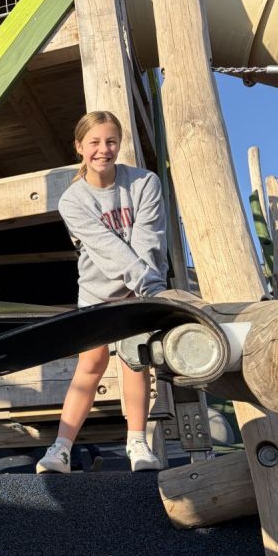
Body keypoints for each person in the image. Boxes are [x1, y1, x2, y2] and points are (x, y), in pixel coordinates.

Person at [35, 111, 166, 475]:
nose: (103, 150)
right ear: (79, 147)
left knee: (134, 361)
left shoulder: (144, 183)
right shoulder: (73, 201)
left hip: (139, 292)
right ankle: (61, 448)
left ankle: (137, 442)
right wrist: (143, 282)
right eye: (94, 142)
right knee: (90, 364)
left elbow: (148, 240)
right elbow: (106, 247)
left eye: (110, 141)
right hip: (97, 293)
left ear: (119, 144)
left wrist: (147, 290)